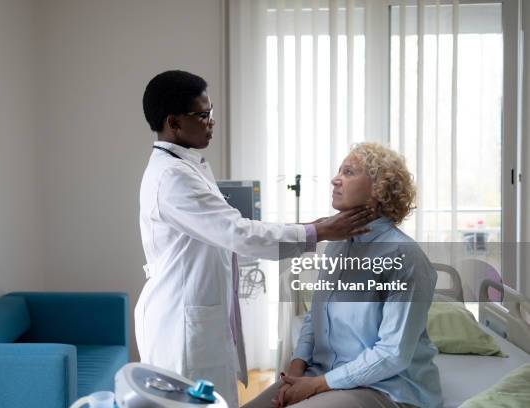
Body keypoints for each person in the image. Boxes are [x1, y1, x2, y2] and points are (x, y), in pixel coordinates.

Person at [136, 70, 374, 407]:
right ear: (173, 122)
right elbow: (239, 233)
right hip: (182, 326)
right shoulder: (172, 177)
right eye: (203, 115)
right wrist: (317, 232)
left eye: (211, 112)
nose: (211, 122)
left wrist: (313, 228)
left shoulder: (187, 165)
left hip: (195, 314)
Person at [244, 142, 443, 408]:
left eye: (348, 172)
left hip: (385, 387)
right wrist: (294, 373)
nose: (334, 179)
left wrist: (314, 386)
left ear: (379, 190)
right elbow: (315, 317)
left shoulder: (403, 256)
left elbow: (393, 354)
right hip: (323, 376)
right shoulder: (337, 244)